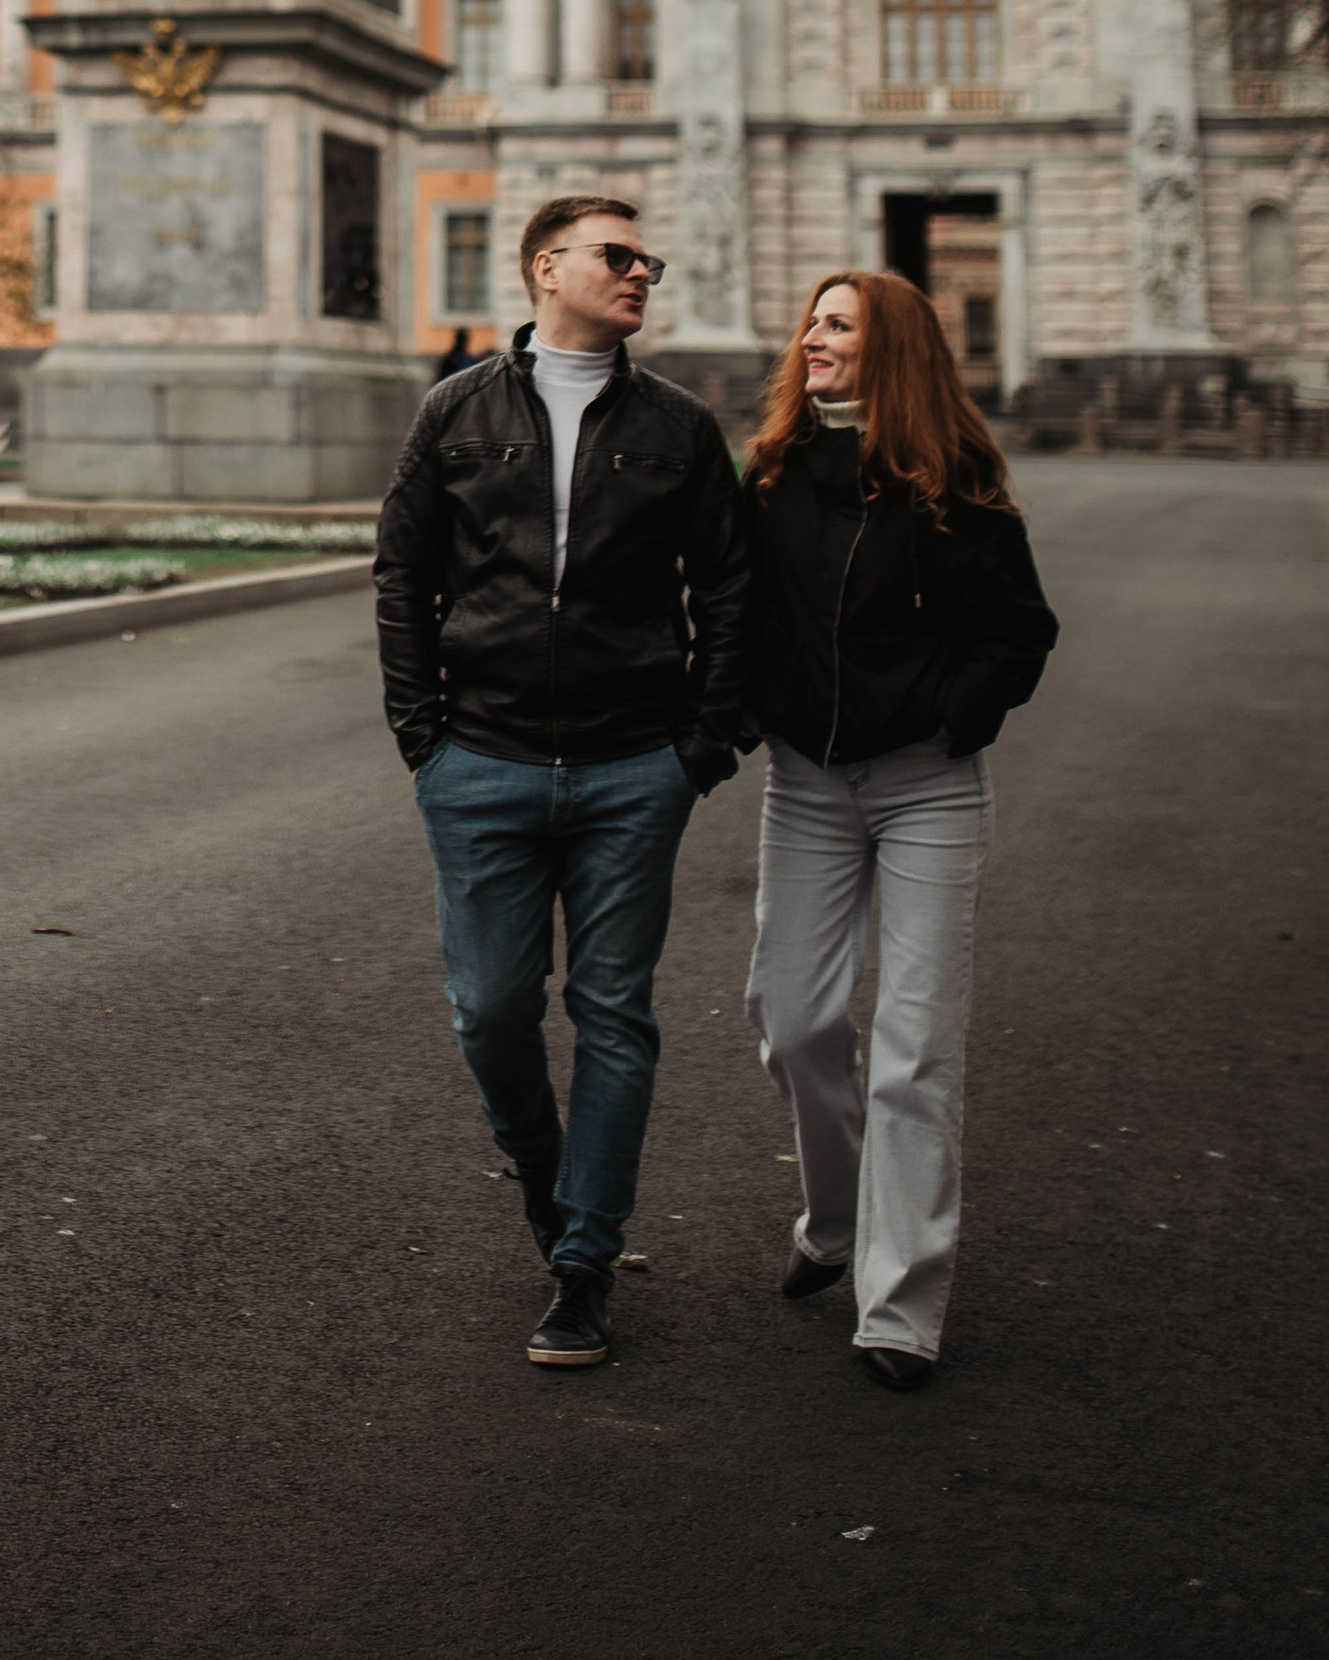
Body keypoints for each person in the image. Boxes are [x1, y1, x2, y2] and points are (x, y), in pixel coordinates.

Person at [374, 193, 750, 1370]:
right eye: (618, 253)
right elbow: (402, 573)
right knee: (490, 1011)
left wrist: (700, 747)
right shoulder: (456, 409)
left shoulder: (679, 426)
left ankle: (583, 1259)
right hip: (477, 762)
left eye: (648, 258)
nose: (643, 271)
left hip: (632, 765)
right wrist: (420, 736)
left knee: (612, 1014)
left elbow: (730, 593)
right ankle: (545, 1172)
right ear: (548, 268)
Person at [740, 270, 1058, 1391]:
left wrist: (948, 716)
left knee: (914, 1048)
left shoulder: (955, 482)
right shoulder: (772, 473)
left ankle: (899, 1303)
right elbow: (744, 613)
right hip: (807, 785)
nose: (812, 339)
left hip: (927, 788)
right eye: (813, 322)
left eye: (839, 325)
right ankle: (833, 1220)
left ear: (894, 353)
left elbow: (1019, 632)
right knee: (791, 1021)